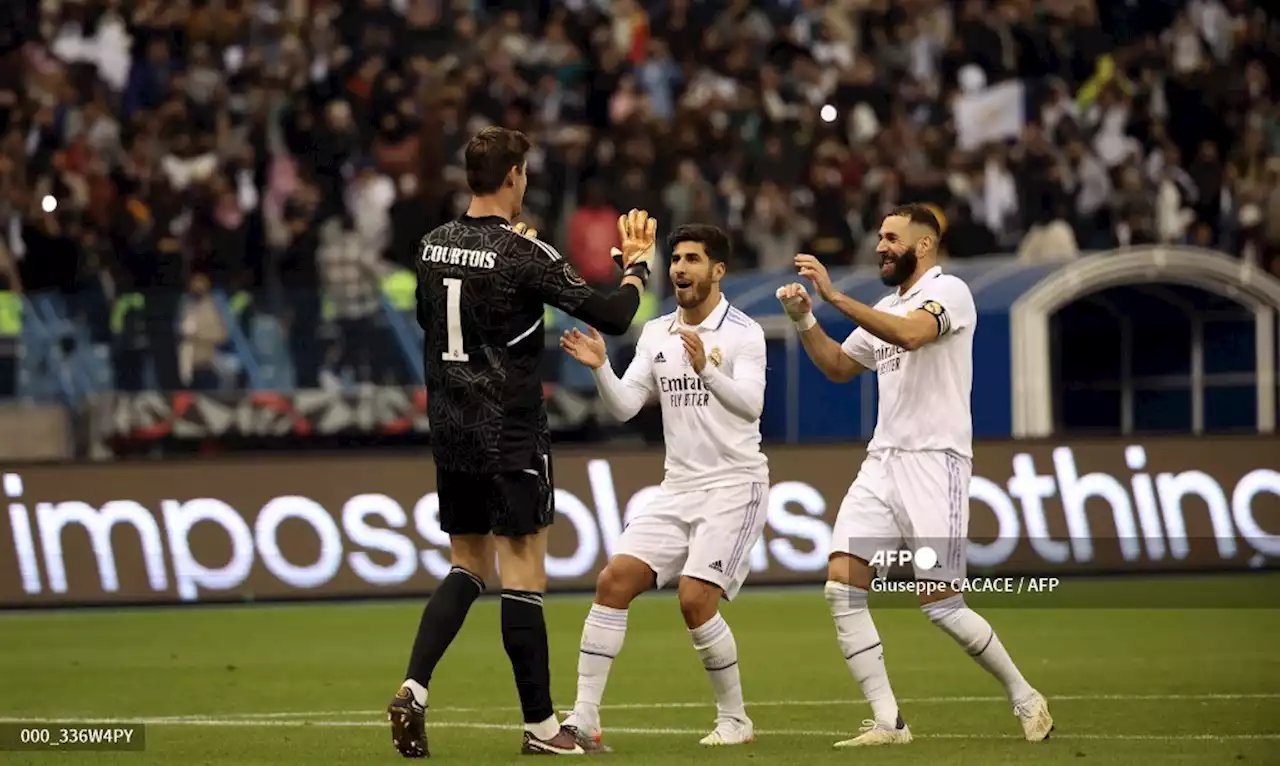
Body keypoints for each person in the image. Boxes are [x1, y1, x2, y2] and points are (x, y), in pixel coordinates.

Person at [387, 126, 658, 758]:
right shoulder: (521, 254)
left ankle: (414, 688)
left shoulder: (431, 246)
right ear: (513, 176)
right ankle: (542, 728)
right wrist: (636, 267)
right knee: (523, 577)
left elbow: (438, 324)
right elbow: (614, 315)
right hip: (509, 430)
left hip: (451, 431)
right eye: (526, 171)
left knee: (466, 565)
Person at [775, 204, 1053, 748]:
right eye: (879, 236)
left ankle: (1025, 696)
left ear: (923, 245)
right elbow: (837, 366)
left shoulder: (951, 294)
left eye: (890, 237)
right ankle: (888, 723)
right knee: (841, 588)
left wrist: (834, 297)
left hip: (935, 464)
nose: (880, 246)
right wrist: (806, 320)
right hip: (883, 464)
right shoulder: (884, 305)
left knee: (941, 603)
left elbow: (910, 336)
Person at [558, 223, 769, 748]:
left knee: (696, 600)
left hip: (734, 484)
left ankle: (735, 720)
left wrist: (707, 372)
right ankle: (583, 720)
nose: (680, 268)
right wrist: (603, 368)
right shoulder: (656, 333)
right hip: (677, 488)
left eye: (693, 259)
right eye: (675, 258)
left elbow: (752, 406)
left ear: (717, 271)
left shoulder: (745, 332)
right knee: (613, 581)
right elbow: (628, 405)